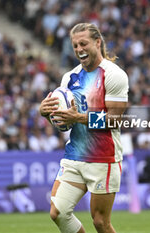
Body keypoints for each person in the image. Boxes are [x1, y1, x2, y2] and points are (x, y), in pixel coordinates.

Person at [39, 23, 128, 233]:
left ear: (98, 43)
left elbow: (115, 119)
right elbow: (64, 124)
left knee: (100, 222)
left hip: (103, 158)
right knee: (58, 212)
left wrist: (80, 117)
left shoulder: (114, 75)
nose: (79, 49)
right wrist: (48, 114)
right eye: (75, 45)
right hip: (74, 155)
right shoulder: (69, 78)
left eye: (84, 43)